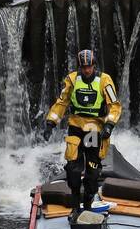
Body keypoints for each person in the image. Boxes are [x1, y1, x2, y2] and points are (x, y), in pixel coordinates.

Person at [43, 48, 121, 214]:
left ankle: (87, 203)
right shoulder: (71, 80)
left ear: (94, 65)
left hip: (93, 128)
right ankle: (75, 205)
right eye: (84, 67)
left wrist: (109, 125)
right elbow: (62, 102)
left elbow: (115, 106)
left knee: (92, 170)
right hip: (76, 127)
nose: (87, 70)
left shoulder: (104, 81)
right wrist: (51, 122)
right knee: (73, 169)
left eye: (89, 66)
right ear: (79, 66)